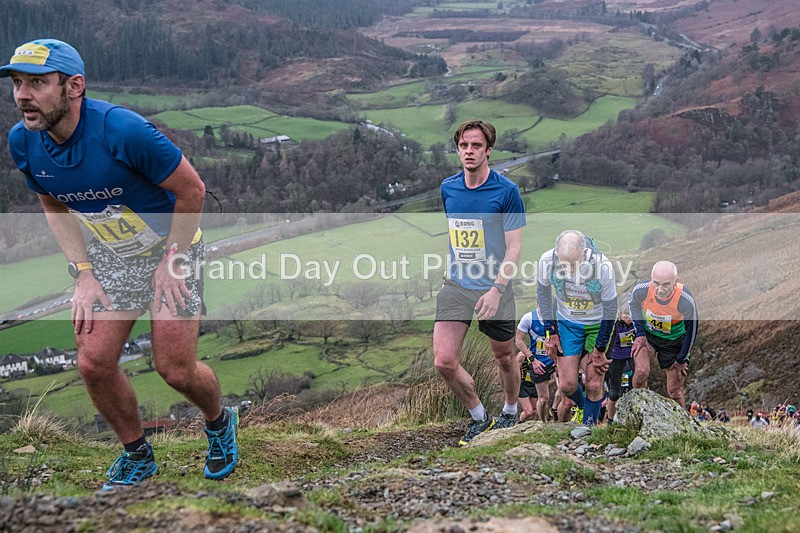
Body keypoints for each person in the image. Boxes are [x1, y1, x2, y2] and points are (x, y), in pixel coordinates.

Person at [2, 39, 238, 489]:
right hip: (112, 258)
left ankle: (218, 422)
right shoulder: (24, 142)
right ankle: (137, 455)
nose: (22, 96)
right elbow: (53, 204)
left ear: (74, 86)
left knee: (175, 369)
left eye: (36, 83)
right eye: (16, 84)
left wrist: (172, 260)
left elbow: (193, 191)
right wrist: (83, 274)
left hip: (172, 247)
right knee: (93, 362)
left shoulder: (122, 132)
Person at [433, 119, 526, 446]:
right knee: (444, 361)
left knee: (504, 356)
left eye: (476, 146)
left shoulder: (506, 192)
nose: (469, 151)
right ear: (457, 149)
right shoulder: (448, 188)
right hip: (456, 286)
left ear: (489, 150)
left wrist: (496, 289)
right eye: (463, 146)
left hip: (495, 287)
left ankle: (511, 412)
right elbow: (455, 235)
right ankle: (479, 417)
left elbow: (514, 247)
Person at [537, 230, 618, 426]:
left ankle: (589, 426)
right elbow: (544, 294)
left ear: (584, 252)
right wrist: (551, 332)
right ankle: (588, 407)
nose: (569, 268)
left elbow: (610, 309)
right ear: (556, 251)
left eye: (573, 264)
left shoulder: (602, 266)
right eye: (564, 262)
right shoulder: (547, 260)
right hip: (567, 323)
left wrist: (599, 348)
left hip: (597, 323)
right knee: (566, 385)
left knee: (594, 383)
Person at [629, 261, 698, 408]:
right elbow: (633, 305)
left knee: (675, 392)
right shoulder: (641, 290)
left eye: (666, 284)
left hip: (674, 342)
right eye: (656, 283)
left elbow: (692, 332)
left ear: (675, 282)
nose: (660, 289)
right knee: (640, 373)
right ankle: (639, 411)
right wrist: (640, 333)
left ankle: (682, 428)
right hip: (648, 337)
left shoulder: (685, 300)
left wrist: (681, 359)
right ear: (651, 278)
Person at [514, 308, 557, 423]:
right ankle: (522, 424)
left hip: (554, 362)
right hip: (527, 380)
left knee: (564, 388)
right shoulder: (529, 318)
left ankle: (555, 411)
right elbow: (518, 340)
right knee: (536, 406)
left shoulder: (558, 316)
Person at [605, 301, 636, 423]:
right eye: (626, 314)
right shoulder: (615, 325)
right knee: (614, 393)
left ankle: (636, 418)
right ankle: (610, 421)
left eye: (631, 314)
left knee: (637, 387)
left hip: (631, 356)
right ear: (620, 314)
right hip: (616, 357)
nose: (629, 317)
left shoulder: (636, 324)